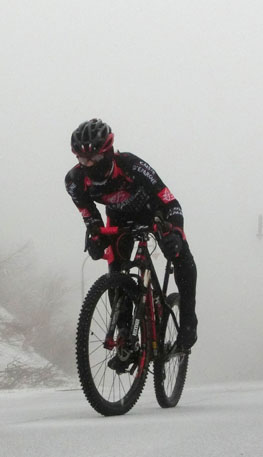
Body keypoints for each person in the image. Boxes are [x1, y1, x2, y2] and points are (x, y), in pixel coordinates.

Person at [65, 118, 198, 354]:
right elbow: (89, 215)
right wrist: (95, 235)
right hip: (118, 220)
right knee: (115, 273)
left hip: (153, 214)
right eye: (82, 159)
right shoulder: (75, 181)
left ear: (107, 152)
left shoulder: (132, 166)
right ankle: (125, 337)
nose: (88, 164)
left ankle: (188, 320)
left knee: (179, 252)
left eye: (94, 158)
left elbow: (170, 202)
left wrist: (176, 232)